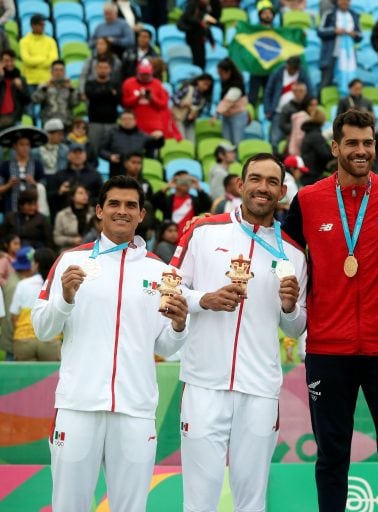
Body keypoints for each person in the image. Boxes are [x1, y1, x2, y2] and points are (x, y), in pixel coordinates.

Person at [282, 109, 378, 511]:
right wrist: (215, 220)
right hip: (327, 349)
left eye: (368, 143)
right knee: (331, 456)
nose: (362, 151)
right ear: (336, 147)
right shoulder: (308, 200)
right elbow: (273, 246)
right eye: (353, 143)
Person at [32, 175, 189, 512]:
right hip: (78, 407)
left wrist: (178, 325)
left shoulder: (160, 271)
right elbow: (42, 328)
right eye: (114, 204)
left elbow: (164, 347)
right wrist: (65, 298)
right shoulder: (71, 260)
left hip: (135, 411)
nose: (123, 211)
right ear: (99, 211)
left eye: (131, 205)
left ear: (142, 214)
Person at [171, 153, 307, 512]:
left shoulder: (293, 251)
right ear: (240, 185)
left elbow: (296, 326)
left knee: (251, 499)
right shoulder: (203, 231)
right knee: (200, 498)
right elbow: (169, 289)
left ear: (282, 192)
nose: (263, 188)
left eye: (272, 182)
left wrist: (291, 307)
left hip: (260, 388)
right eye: (256, 179)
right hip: (204, 384)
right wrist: (205, 300)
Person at [10, 247, 59, 361]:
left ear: (37, 265)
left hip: (24, 339)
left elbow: (14, 317)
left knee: (24, 378)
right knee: (50, 379)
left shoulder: (23, 284)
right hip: (50, 340)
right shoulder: (58, 285)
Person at [263, 56, 313, 151]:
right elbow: (268, 91)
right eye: (289, 67)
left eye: (292, 68)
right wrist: (267, 109)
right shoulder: (278, 73)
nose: (290, 70)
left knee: (297, 141)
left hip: (298, 112)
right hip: (278, 112)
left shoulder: (303, 75)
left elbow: (310, 92)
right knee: (274, 140)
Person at [122, 59, 180, 141]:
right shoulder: (128, 83)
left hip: (154, 126)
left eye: (147, 75)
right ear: (138, 73)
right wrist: (138, 97)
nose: (145, 77)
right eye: (143, 74)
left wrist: (152, 98)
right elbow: (125, 104)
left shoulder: (157, 84)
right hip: (135, 126)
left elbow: (163, 105)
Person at [46, 142, 103, 219]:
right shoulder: (59, 175)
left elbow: (101, 196)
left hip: (90, 214)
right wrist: (60, 192)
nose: (77, 155)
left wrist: (86, 199)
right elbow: (49, 196)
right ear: (68, 155)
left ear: (85, 155)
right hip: (65, 215)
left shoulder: (95, 175)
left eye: (80, 153)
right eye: (74, 153)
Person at [100, 110, 163, 177]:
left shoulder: (142, 135)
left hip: (136, 174)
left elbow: (156, 145)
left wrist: (160, 138)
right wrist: (110, 156)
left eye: (130, 119)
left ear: (135, 120)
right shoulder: (112, 134)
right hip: (117, 171)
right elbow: (101, 150)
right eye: (124, 119)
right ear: (120, 121)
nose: (127, 121)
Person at [317, 0, 362, 92]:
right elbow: (320, 31)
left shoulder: (354, 15)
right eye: (342, 0)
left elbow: (360, 35)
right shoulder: (329, 14)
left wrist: (354, 34)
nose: (345, 2)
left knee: (350, 83)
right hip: (331, 55)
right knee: (326, 83)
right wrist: (334, 31)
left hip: (348, 56)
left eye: (347, 1)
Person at [85, 56, 121, 164]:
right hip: (95, 123)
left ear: (110, 69)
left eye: (105, 67)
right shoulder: (90, 84)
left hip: (112, 123)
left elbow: (118, 99)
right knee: (93, 151)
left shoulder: (115, 83)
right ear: (96, 69)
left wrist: (100, 93)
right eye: (100, 67)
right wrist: (108, 92)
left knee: (112, 152)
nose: (103, 70)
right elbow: (92, 96)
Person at [0, 130, 45, 215]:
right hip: (11, 210)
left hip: (33, 210)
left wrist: (34, 183)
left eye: (27, 144)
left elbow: (44, 185)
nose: (25, 148)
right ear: (15, 146)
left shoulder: (37, 164)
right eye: (21, 144)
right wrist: (8, 185)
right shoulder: (5, 165)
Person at [19, 14, 58, 110]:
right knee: (29, 110)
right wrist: (44, 58)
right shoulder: (24, 41)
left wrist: (35, 60)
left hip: (46, 81)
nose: (43, 27)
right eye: (41, 25)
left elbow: (53, 60)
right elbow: (27, 60)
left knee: (47, 110)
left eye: (44, 25)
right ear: (33, 26)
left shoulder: (50, 41)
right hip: (29, 81)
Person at [31, 60, 79, 128]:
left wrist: (71, 89)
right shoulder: (44, 86)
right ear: (51, 72)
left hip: (65, 124)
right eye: (56, 70)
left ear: (64, 72)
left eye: (61, 70)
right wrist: (45, 88)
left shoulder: (70, 87)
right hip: (48, 123)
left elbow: (75, 103)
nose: (58, 73)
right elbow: (35, 100)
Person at [247, 0, 277, 104]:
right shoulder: (253, 30)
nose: (268, 16)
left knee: (269, 94)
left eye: (270, 13)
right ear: (260, 15)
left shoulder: (278, 32)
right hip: (256, 66)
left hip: (270, 66)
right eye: (265, 13)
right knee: (253, 95)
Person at [214, 58, 249, 146]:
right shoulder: (224, 81)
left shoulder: (237, 83)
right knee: (226, 142)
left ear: (228, 72)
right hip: (226, 115)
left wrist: (217, 113)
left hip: (238, 116)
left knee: (237, 142)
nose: (219, 76)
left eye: (221, 73)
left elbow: (228, 100)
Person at [171, 73, 214, 143]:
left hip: (190, 123)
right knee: (182, 141)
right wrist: (182, 103)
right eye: (205, 84)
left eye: (208, 86)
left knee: (192, 143)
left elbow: (200, 111)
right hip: (178, 119)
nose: (206, 88)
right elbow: (174, 97)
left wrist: (194, 115)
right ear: (199, 81)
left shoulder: (204, 98)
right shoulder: (188, 88)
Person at [53, 185, 95, 250]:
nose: (85, 195)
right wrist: (71, 240)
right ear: (72, 197)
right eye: (81, 193)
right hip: (68, 250)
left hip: (90, 250)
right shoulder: (62, 215)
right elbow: (57, 238)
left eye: (86, 193)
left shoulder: (93, 213)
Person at [177, 0, 216, 70]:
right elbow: (187, 18)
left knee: (202, 59)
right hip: (192, 37)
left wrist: (212, 41)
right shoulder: (192, 5)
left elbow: (207, 26)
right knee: (196, 59)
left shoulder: (205, 8)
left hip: (201, 38)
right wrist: (199, 22)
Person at [300, 107, 333, 186]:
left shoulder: (309, 134)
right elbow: (325, 155)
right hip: (314, 176)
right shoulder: (316, 136)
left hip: (309, 174)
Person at [0, 49, 29, 129]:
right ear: (1, 62)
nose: (9, 64)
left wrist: (20, 88)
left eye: (12, 61)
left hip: (14, 118)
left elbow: (27, 100)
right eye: (6, 61)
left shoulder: (20, 79)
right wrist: (1, 77)